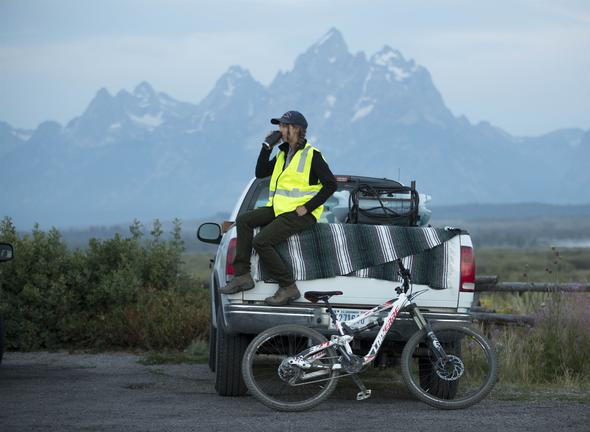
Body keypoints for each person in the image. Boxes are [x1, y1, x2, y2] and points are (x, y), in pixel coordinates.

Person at [220, 111, 337, 306]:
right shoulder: (283, 153)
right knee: (244, 220)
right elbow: (261, 173)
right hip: (279, 209)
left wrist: (308, 207)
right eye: (280, 126)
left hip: (300, 214)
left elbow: (331, 184)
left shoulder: (312, 155)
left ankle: (288, 286)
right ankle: (242, 276)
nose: (280, 130)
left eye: (283, 126)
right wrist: (266, 147)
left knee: (261, 241)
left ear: (295, 129)